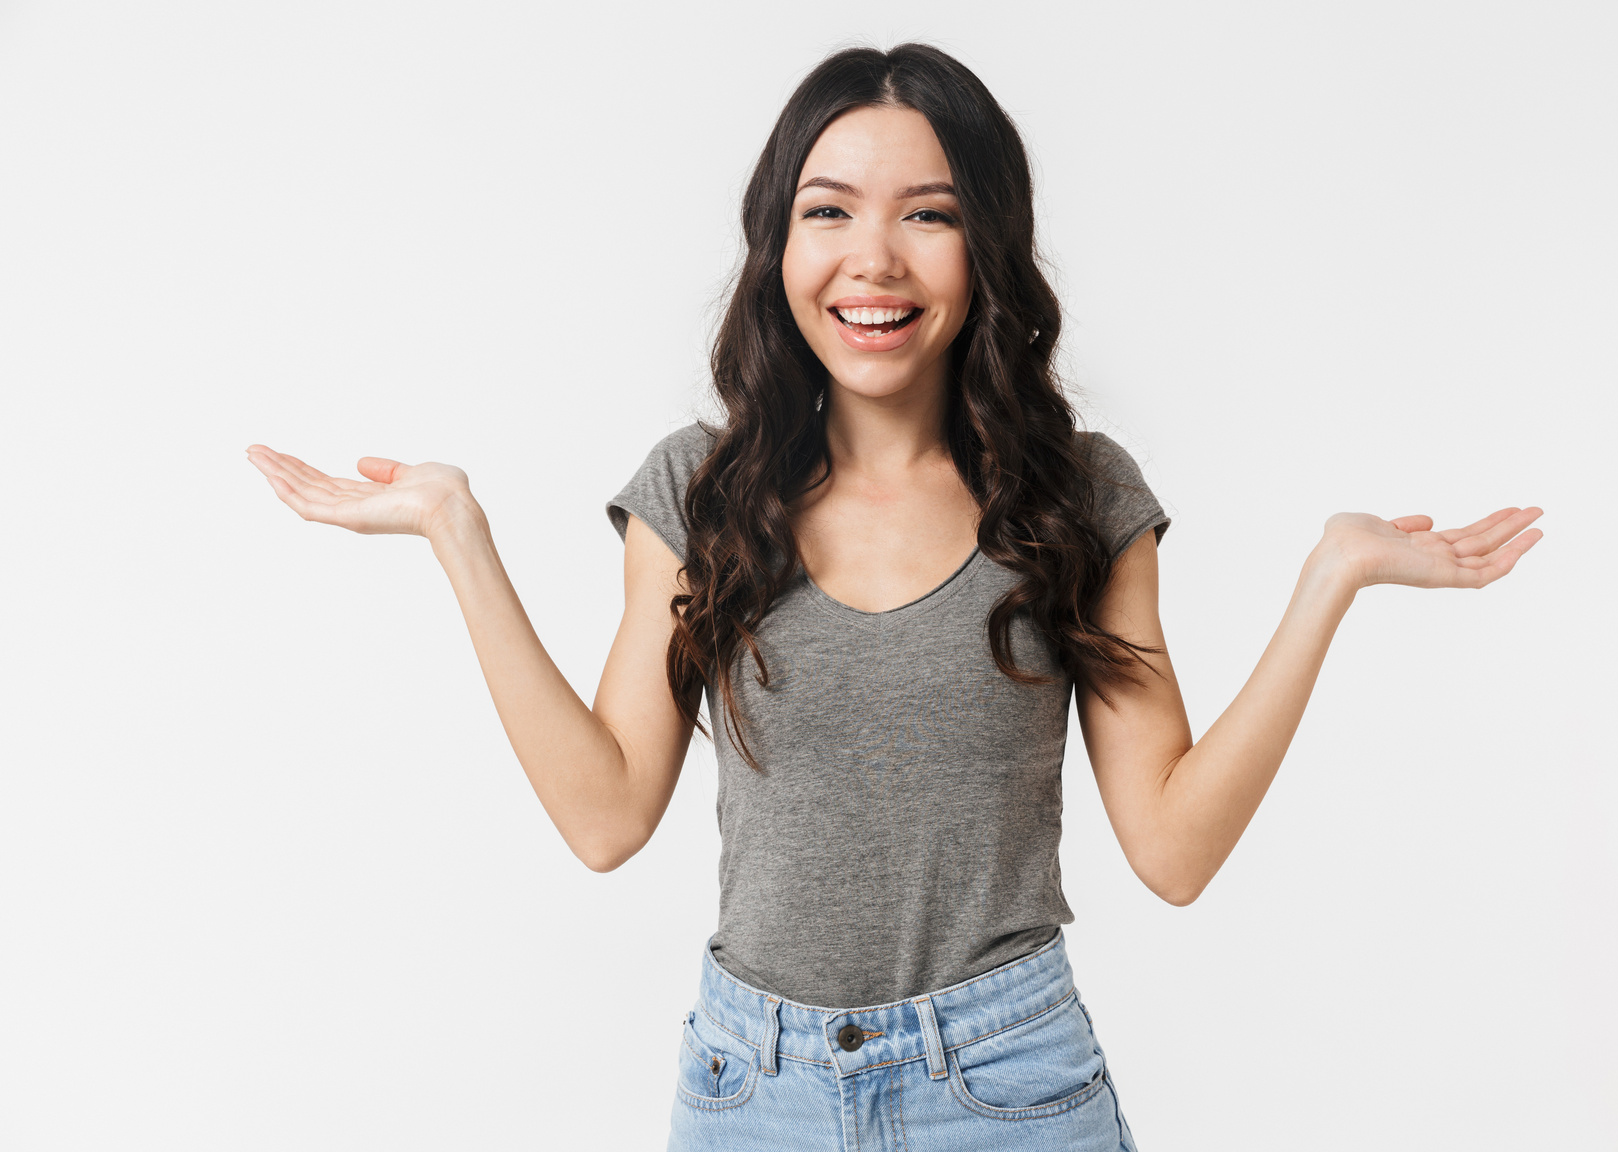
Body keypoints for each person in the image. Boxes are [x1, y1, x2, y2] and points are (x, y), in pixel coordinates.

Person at [247, 42, 1542, 1152]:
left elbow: (1174, 849)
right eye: (830, 211)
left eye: (928, 212)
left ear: (987, 244)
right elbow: (603, 818)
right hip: (752, 1091)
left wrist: (1331, 581)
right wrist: (456, 534)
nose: (875, 258)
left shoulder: (1075, 496)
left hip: (1010, 1083)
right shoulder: (698, 491)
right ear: (778, 243)